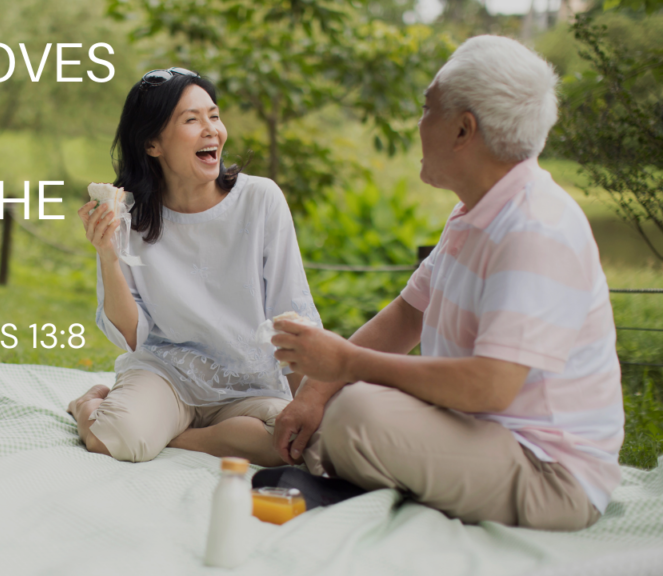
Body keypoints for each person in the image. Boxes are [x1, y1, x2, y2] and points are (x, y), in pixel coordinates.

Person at [270, 36, 623, 531]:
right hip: (480, 434)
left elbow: (491, 387)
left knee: (355, 413)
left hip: (550, 473)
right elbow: (409, 313)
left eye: (426, 108)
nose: (418, 125)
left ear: (463, 130)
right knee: (333, 402)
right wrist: (315, 390)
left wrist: (345, 363)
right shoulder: (475, 212)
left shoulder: (535, 229)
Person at [67, 68, 321, 466]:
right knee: (115, 437)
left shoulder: (260, 199)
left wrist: (310, 401)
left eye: (214, 116)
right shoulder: (127, 217)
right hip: (166, 375)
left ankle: (173, 436)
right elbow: (132, 336)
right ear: (152, 143)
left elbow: (293, 312)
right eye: (191, 120)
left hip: (248, 387)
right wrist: (108, 256)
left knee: (295, 442)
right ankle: (89, 403)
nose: (212, 131)